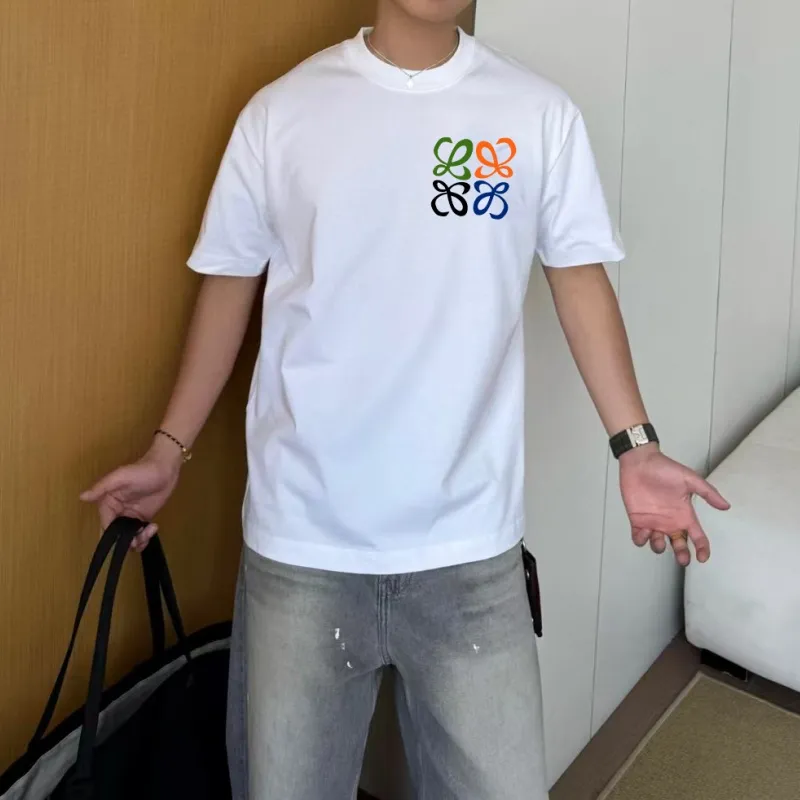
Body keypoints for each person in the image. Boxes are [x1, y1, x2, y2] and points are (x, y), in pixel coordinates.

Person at [81, 0, 730, 797]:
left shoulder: (536, 114)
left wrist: (637, 446)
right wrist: (167, 450)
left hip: (470, 551)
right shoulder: (281, 113)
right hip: (303, 548)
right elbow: (228, 289)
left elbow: (579, 277)